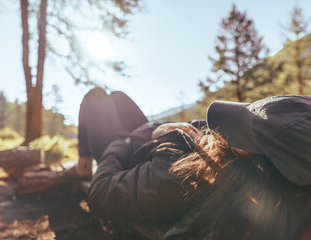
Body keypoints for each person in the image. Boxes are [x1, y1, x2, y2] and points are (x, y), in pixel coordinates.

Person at [77, 88, 311, 240]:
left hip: (125, 150)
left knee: (95, 99)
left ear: (244, 151)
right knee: (116, 96)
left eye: (240, 132)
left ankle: (81, 164)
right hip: (151, 143)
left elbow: (99, 194)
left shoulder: (186, 174)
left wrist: (134, 136)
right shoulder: (261, 173)